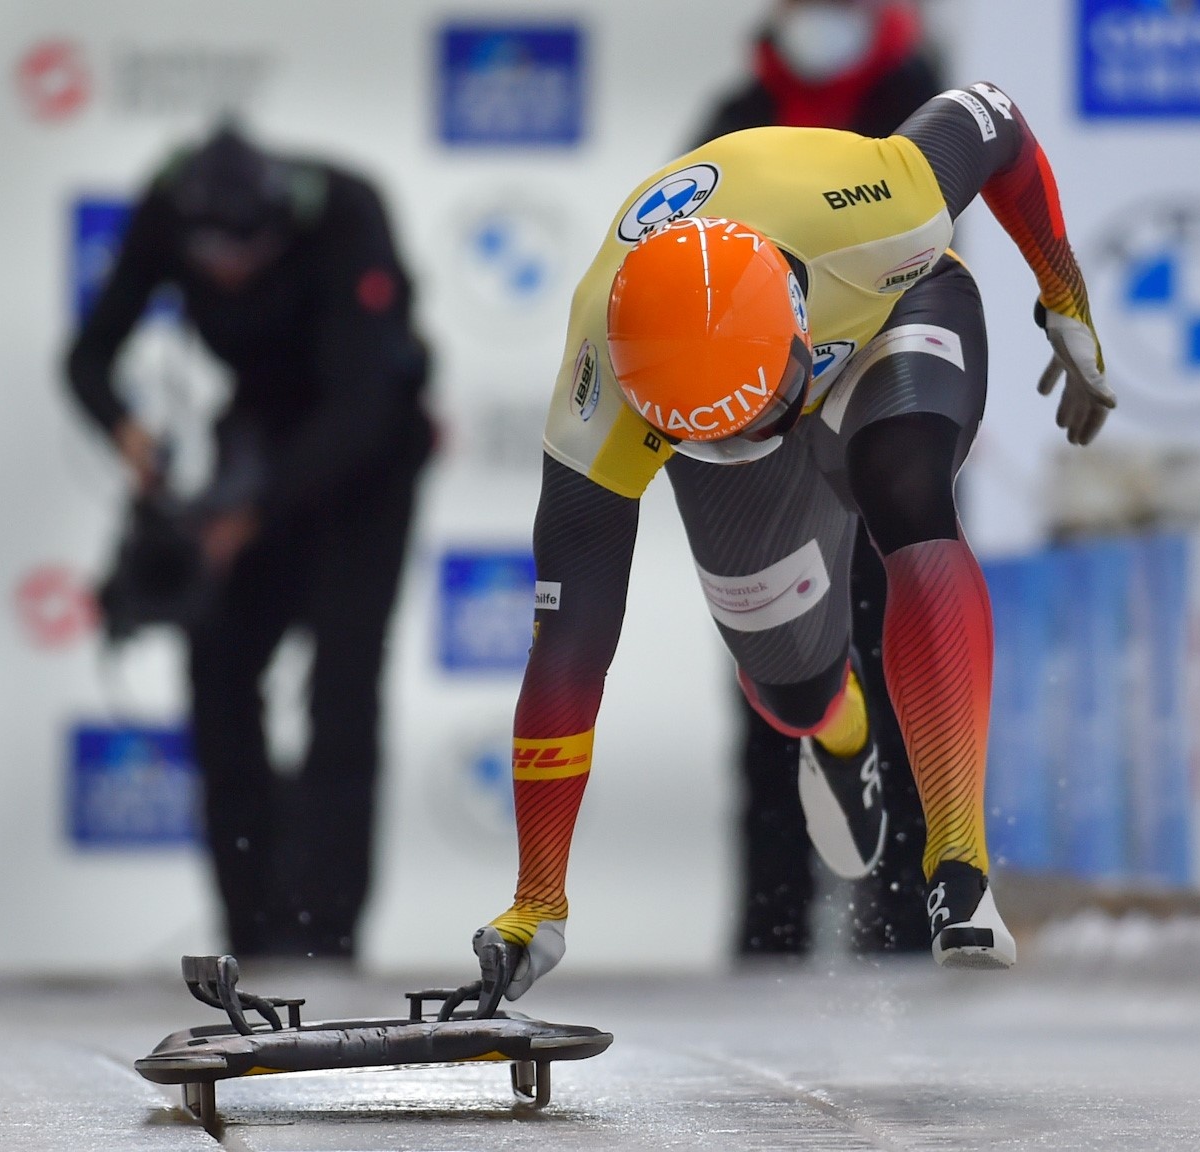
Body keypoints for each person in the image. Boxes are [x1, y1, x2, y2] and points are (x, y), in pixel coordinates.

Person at [470, 80, 1113, 997]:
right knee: (793, 688)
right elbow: (568, 657)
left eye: (762, 411)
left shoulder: (884, 204)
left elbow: (1000, 123)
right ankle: (836, 724)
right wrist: (536, 901)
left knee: (907, 490)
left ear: (796, 320)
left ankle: (959, 867)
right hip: (751, 390)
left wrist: (1066, 295)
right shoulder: (596, 408)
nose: (760, 431)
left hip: (892, 317)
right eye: (711, 431)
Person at [67, 125, 431, 960]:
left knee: (343, 685)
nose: (229, 271)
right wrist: (128, 435)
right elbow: (88, 357)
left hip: (367, 460)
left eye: (248, 255)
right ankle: (250, 926)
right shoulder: (164, 208)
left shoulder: (345, 212)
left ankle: (324, 935)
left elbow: (360, 408)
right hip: (258, 444)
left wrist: (250, 513)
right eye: (211, 258)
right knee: (218, 672)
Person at [696, 0, 946, 958]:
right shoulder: (735, 110)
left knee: (897, 667)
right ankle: (772, 923)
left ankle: (902, 915)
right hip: (765, 428)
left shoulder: (917, 104)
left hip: (881, 412)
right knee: (775, 670)